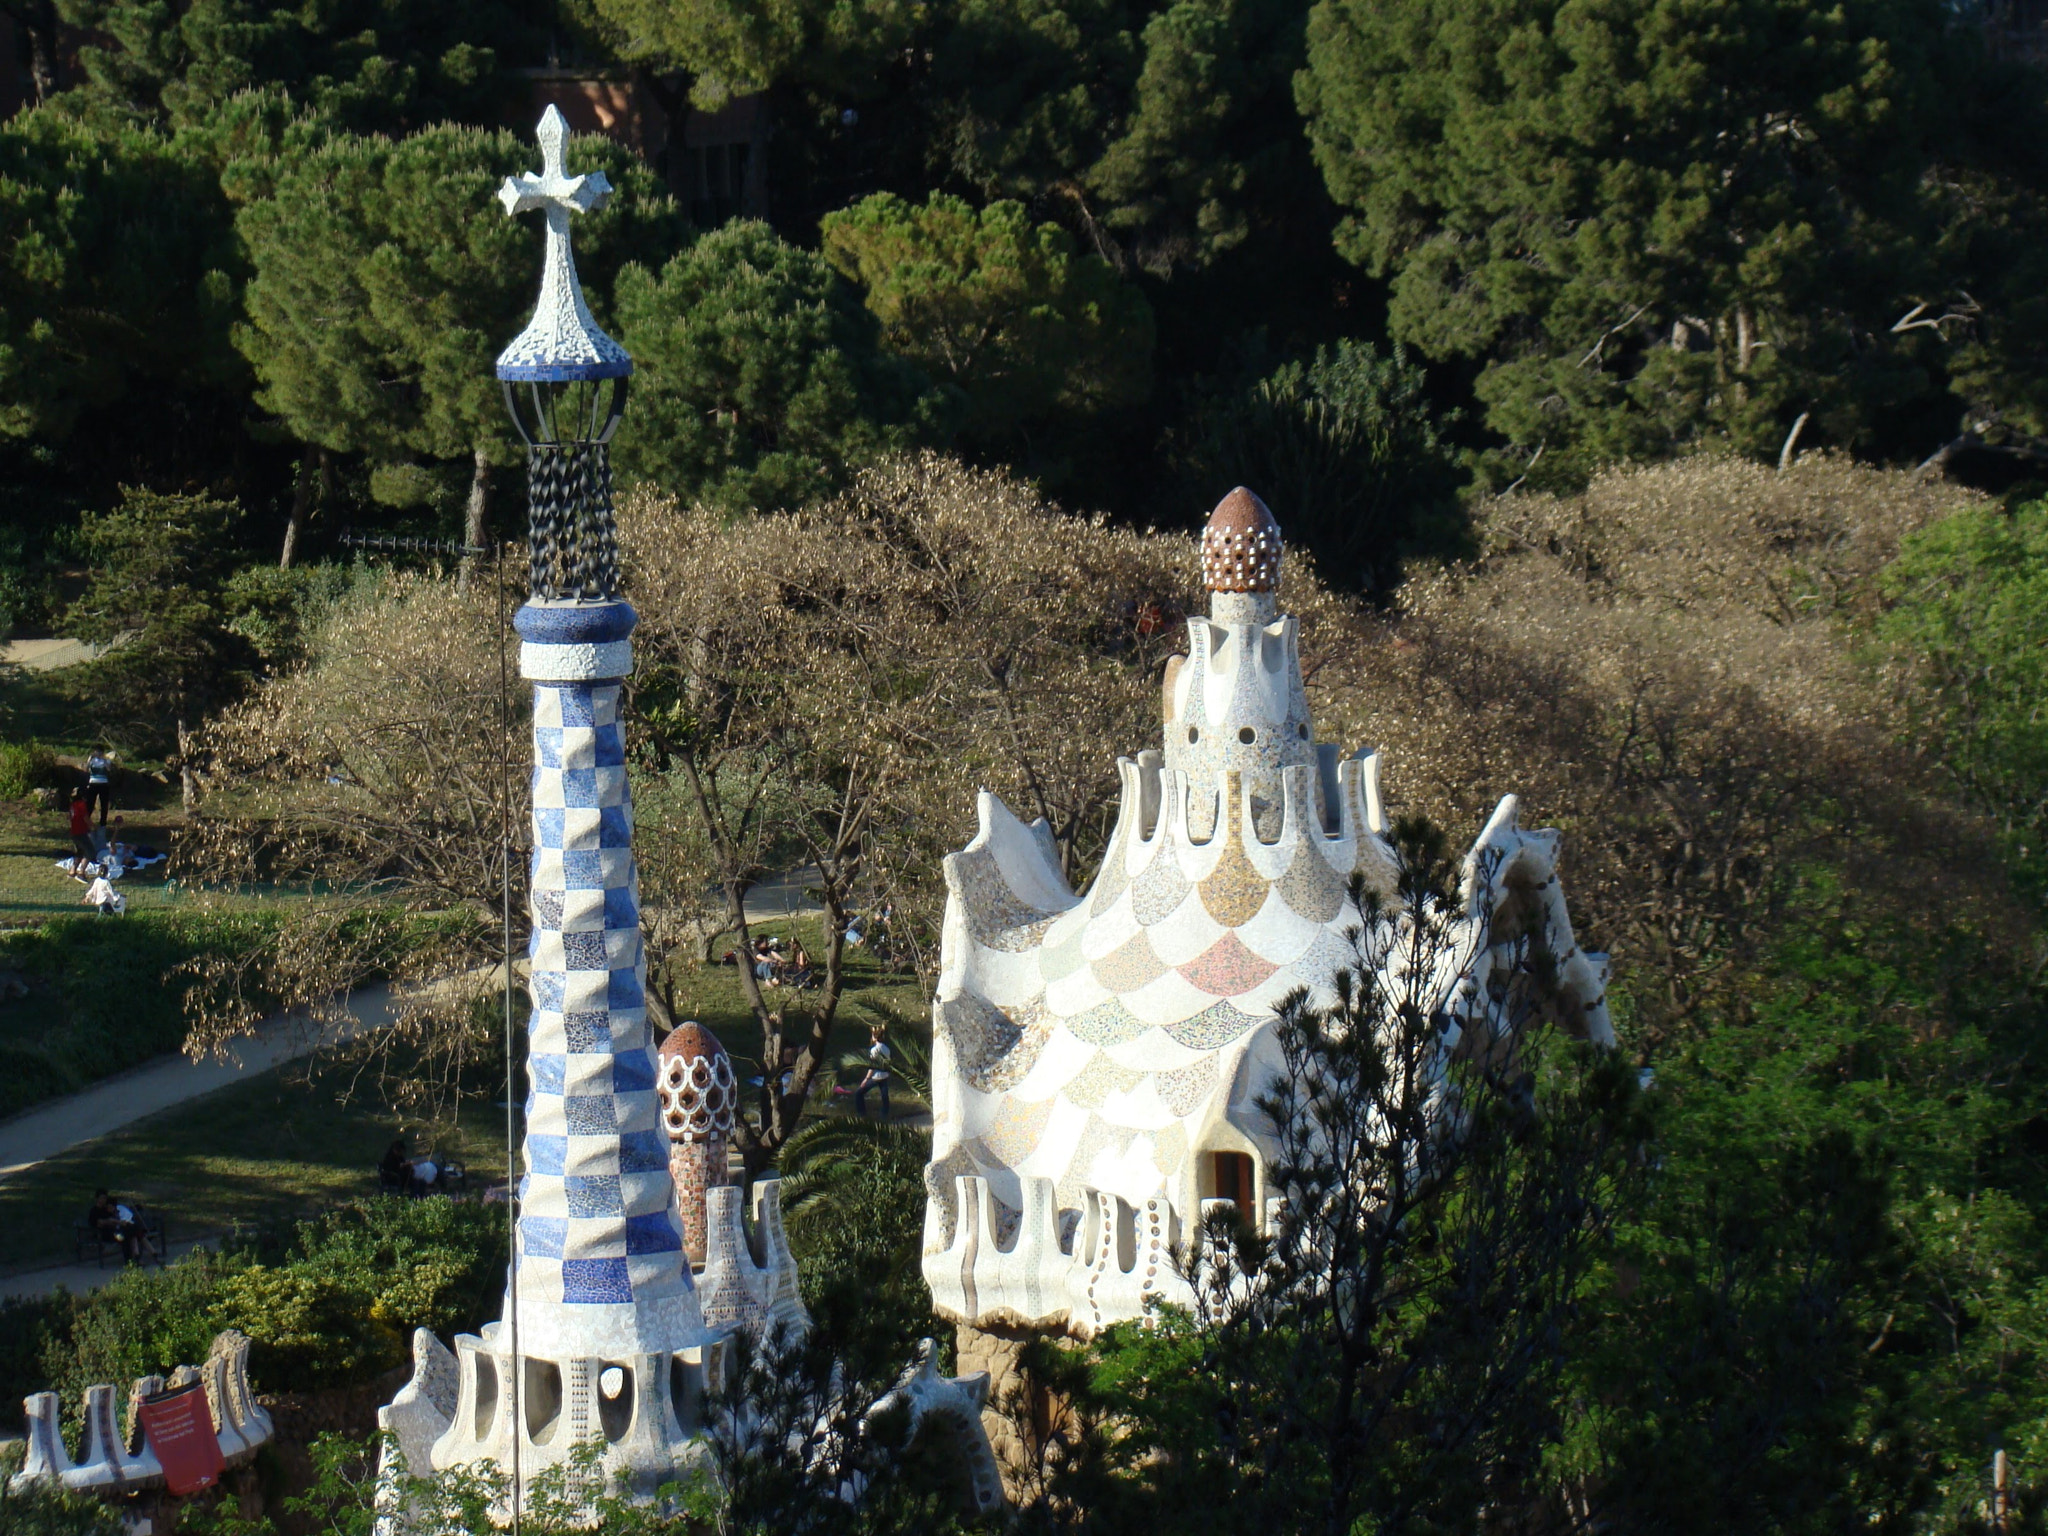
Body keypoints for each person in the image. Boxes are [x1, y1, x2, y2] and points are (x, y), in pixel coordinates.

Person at [87, 1189, 144, 1263]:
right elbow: (100, 1222)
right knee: (127, 1234)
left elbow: (114, 1218)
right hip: (104, 1234)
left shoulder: (106, 1209)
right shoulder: (94, 1211)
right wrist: (113, 1221)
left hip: (115, 1231)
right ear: (97, 1198)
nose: (104, 1200)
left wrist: (116, 1222)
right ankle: (131, 1260)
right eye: (102, 1198)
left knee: (129, 1231)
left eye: (105, 1198)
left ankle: (133, 1260)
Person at [850, 1024, 892, 1120]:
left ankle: (862, 1113)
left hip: (876, 1076)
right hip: (885, 1075)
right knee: (884, 1095)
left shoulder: (874, 1050)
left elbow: (871, 1066)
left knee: (859, 1093)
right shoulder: (886, 1048)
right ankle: (885, 1113)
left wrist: (866, 1079)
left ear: (875, 1037)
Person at [84, 748, 114, 826]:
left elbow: (109, 769)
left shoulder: (106, 761)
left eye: (100, 752)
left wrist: (104, 760)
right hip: (93, 783)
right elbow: (86, 770)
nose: (98, 753)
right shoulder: (92, 761)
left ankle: (103, 821)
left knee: (104, 804)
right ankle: (87, 820)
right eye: (97, 751)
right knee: (90, 803)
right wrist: (89, 759)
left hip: (103, 784)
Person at [67, 791, 93, 864]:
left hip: (73, 831)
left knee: (80, 852)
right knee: (90, 852)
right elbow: (85, 818)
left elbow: (69, 817)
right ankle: (82, 871)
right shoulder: (81, 804)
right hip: (81, 832)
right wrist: (93, 826)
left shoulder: (73, 805)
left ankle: (73, 870)